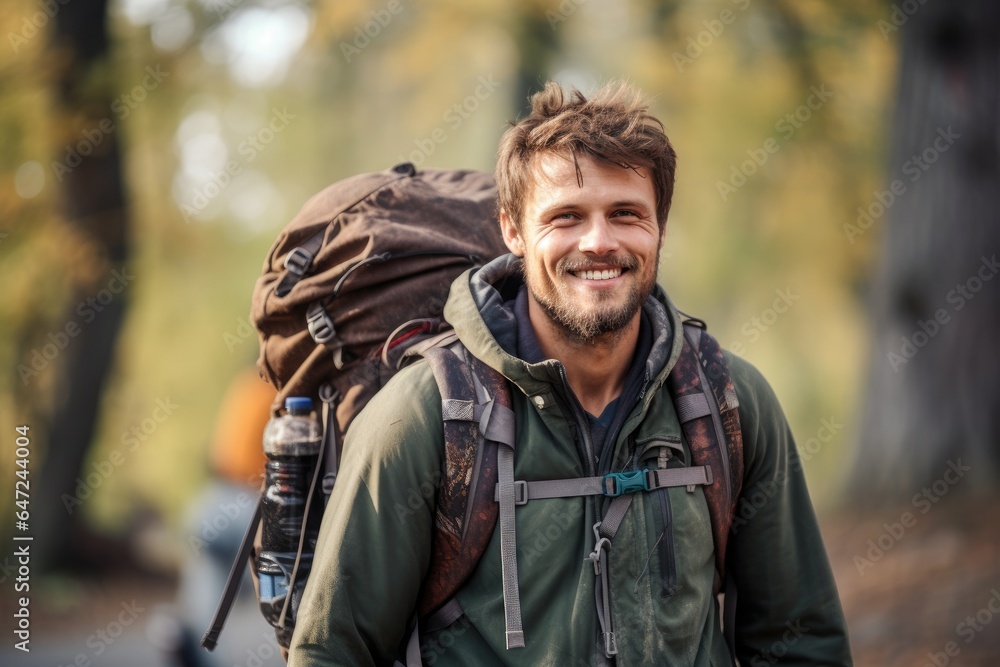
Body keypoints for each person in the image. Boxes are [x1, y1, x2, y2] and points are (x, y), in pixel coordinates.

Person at [287, 81, 852, 666]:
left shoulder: (727, 402)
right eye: (566, 217)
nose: (599, 241)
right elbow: (332, 652)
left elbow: (801, 644)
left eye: (626, 213)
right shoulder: (426, 416)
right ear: (512, 231)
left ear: (660, 225)